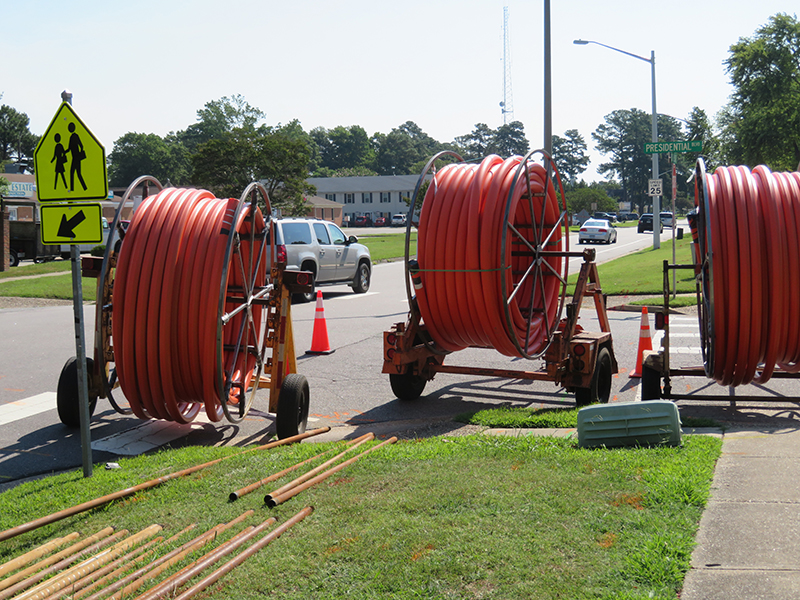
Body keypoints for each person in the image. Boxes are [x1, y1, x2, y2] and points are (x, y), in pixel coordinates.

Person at [67, 122, 87, 192]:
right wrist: (64, 152)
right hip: (74, 158)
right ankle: (84, 187)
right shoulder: (71, 137)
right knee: (77, 173)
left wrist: (80, 154)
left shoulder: (75, 136)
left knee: (73, 172)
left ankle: (74, 189)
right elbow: (69, 148)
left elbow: (81, 145)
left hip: (76, 158)